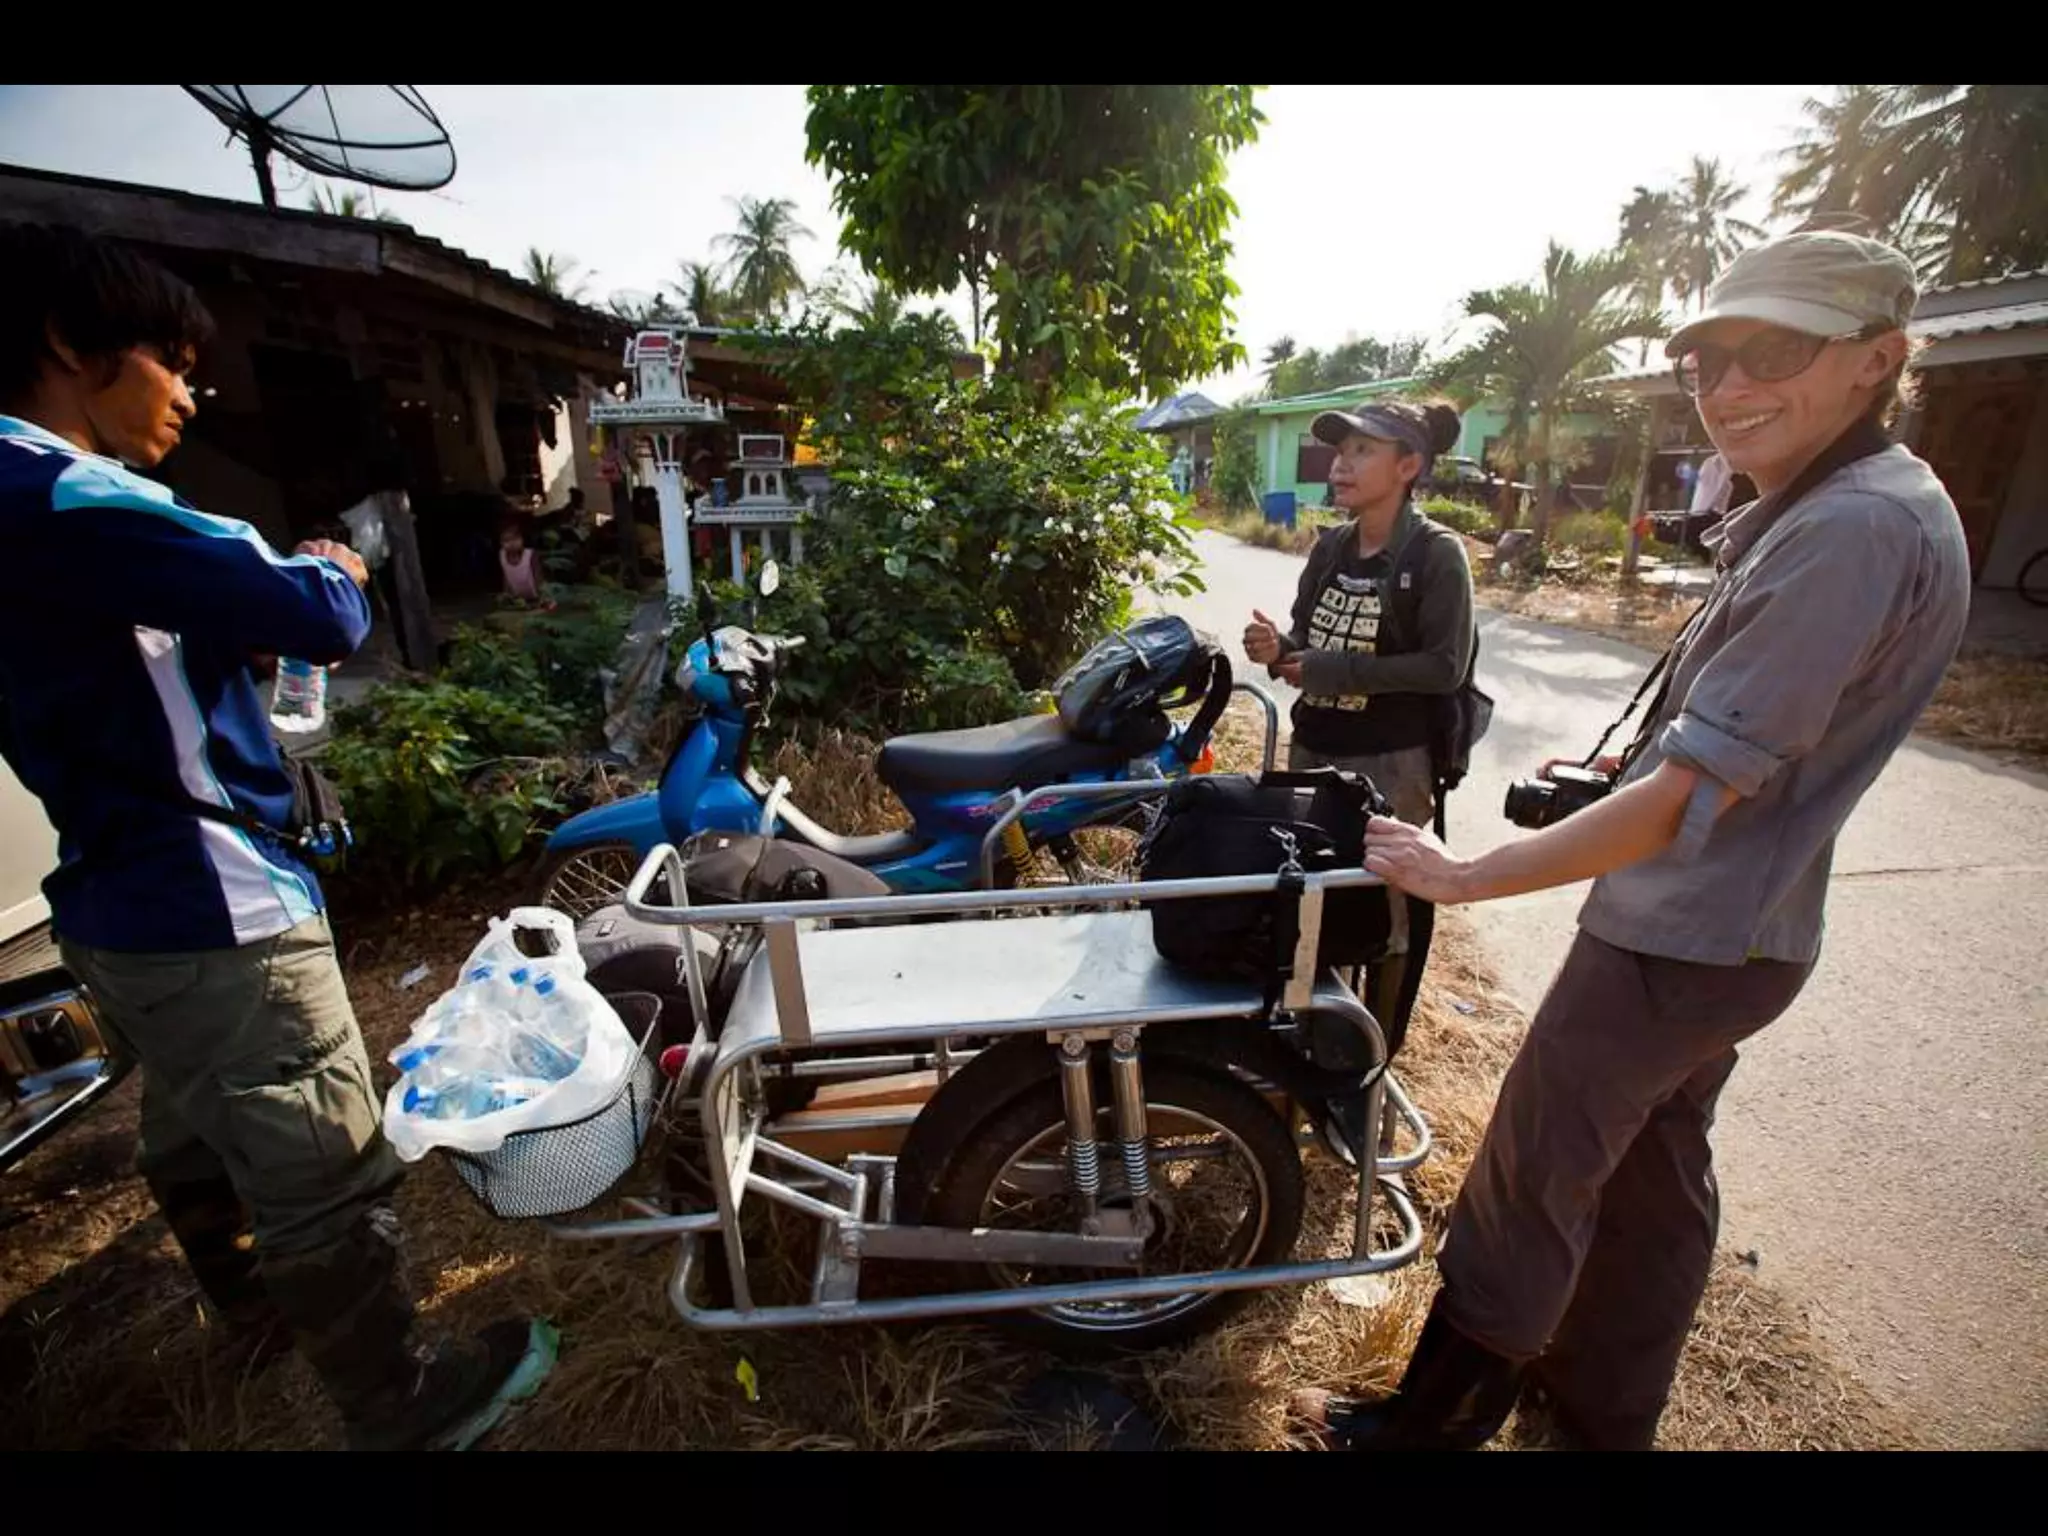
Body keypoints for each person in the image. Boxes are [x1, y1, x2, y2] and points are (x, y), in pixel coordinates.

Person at [1295, 230, 1969, 1451]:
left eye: (1773, 352)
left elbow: (1687, 794)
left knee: (1530, 1170)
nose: (1726, 390)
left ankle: (1427, 1426)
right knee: (1655, 1174)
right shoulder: (1845, 500)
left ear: (1876, 360)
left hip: (1680, 935)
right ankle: (1601, 1407)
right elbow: (1733, 740)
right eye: (1706, 359)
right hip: (1740, 935)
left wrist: (1464, 874)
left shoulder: (1850, 527)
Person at [0, 222, 542, 1451]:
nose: (190, 394)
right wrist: (332, 564)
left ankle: (249, 1311)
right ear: (65, 344)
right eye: (170, 362)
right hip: (215, 902)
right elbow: (311, 608)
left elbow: (101, 666)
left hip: (114, 901)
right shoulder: (61, 485)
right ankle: (406, 1401)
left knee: (193, 1121)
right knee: (321, 1161)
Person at [498, 514, 549, 606]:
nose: (512, 543)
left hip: (536, 596)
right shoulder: (502, 555)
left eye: (515, 538)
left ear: (522, 539)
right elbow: (506, 576)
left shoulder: (530, 555)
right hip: (518, 598)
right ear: (501, 543)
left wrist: (543, 596)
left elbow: (538, 576)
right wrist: (506, 594)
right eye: (507, 540)